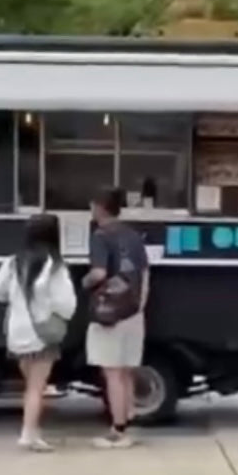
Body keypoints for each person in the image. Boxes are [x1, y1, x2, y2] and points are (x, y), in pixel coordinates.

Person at [0, 213, 77, 452]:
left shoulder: (12, 262)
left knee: (31, 385)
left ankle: (32, 430)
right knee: (36, 387)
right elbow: (66, 303)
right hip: (42, 332)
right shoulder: (55, 266)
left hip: (16, 331)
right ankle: (29, 434)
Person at [83, 187, 149, 450]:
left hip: (109, 314)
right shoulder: (134, 236)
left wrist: (83, 282)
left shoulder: (100, 236)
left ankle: (117, 430)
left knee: (112, 373)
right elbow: (145, 274)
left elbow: (98, 274)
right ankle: (128, 422)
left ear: (99, 207)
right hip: (134, 311)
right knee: (126, 372)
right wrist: (139, 307)